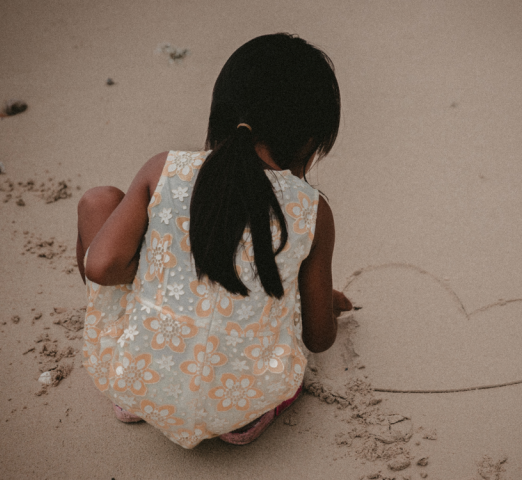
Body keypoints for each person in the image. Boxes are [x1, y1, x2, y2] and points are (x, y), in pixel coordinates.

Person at [75, 33, 352, 448]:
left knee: (99, 202)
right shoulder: (312, 211)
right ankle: (247, 422)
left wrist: (156, 270)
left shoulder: (166, 168)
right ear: (310, 141)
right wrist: (321, 301)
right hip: (241, 406)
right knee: (268, 312)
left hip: (138, 380)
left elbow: (100, 267)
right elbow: (319, 338)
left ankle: (140, 393)